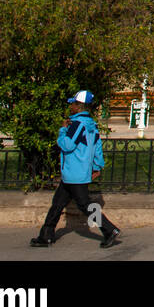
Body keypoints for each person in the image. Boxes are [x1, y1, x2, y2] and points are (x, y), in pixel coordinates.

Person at [30, 90, 121, 248]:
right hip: (78, 172)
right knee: (58, 203)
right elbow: (97, 148)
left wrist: (62, 129)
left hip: (74, 172)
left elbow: (67, 145)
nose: (70, 106)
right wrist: (97, 166)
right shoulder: (91, 125)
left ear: (79, 106)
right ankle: (46, 236)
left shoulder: (77, 124)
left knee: (84, 204)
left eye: (72, 103)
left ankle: (109, 230)